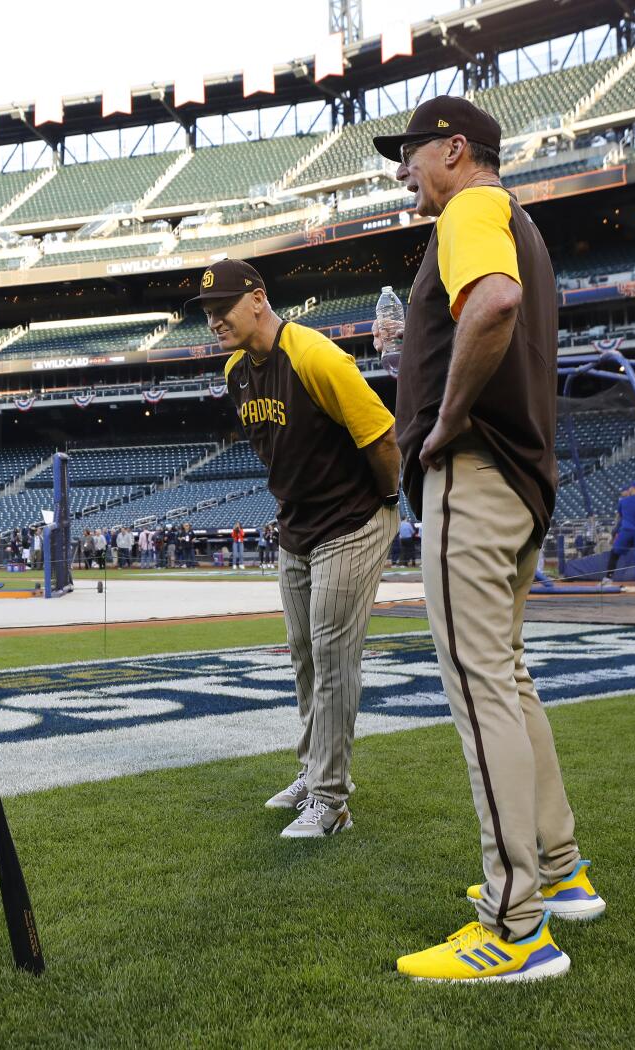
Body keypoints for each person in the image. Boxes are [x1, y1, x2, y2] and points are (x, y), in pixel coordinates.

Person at [374, 96, 602, 983]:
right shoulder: (518, 219)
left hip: (474, 472)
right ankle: (560, 867)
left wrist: (442, 423)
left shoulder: (472, 208)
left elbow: (494, 303)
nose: (403, 171)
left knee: (479, 688)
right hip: (517, 479)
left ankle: (516, 926)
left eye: (411, 154)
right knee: (506, 677)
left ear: (457, 150)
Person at [196, 258, 400, 839]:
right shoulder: (238, 372)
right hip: (298, 527)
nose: (214, 320)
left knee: (334, 657)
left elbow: (382, 435)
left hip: (352, 521)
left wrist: (387, 498)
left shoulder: (315, 355)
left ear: (258, 298)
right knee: (303, 655)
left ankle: (332, 801)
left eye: (223, 307)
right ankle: (314, 775)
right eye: (208, 313)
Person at [601, 484, 635, 587]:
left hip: (627, 531)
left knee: (614, 554)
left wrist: (614, 533)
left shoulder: (623, 501)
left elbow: (621, 517)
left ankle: (608, 579)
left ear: (632, 489)